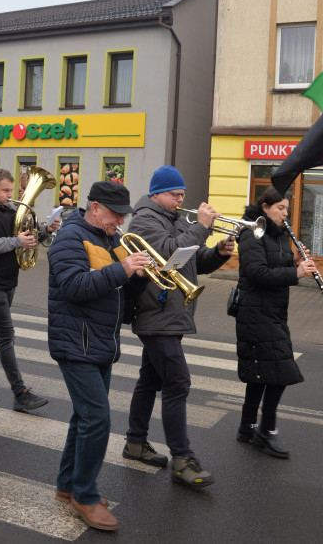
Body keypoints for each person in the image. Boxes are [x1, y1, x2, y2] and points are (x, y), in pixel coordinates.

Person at [122, 165, 234, 487]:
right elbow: (171, 255)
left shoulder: (170, 220)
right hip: (156, 314)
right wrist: (200, 227)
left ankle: (135, 442)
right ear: (157, 193)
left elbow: (192, 262)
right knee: (178, 383)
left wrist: (218, 253)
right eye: (175, 194)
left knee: (150, 379)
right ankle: (182, 458)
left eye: (183, 195)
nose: (180, 200)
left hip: (169, 313)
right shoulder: (144, 220)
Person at [47, 180, 150, 532]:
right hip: (76, 342)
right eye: (115, 215)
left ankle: (67, 485)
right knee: (98, 419)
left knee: (84, 417)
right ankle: (85, 496)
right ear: (95, 208)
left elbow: (119, 287)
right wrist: (122, 269)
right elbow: (74, 287)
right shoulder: (69, 238)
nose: (120, 222)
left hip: (100, 341)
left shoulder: (110, 239)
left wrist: (140, 274)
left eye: (123, 216)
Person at [0, 168, 59, 411]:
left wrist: (45, 230)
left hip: (8, 280)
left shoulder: (9, 209)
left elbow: (24, 235)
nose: (10, 195)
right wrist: (17, 241)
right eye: (5, 190)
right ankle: (21, 393)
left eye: (11, 190)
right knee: (7, 335)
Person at [233, 186, 315, 458]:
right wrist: (296, 272)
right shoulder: (251, 232)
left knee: (260, 372)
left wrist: (293, 260)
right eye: (280, 208)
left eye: (286, 209)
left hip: (273, 312)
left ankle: (247, 427)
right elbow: (257, 273)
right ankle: (266, 431)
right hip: (255, 313)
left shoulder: (279, 234)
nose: (285, 214)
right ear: (265, 207)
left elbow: (275, 265)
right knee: (280, 371)